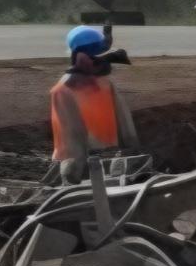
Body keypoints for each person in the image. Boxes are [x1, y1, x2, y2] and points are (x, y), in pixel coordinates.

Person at [51, 25, 139, 184]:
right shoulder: (64, 91)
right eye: (93, 56)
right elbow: (71, 139)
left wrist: (132, 153)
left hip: (111, 161)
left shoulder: (105, 85)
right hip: (78, 168)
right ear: (78, 55)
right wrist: (74, 174)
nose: (99, 61)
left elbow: (124, 123)